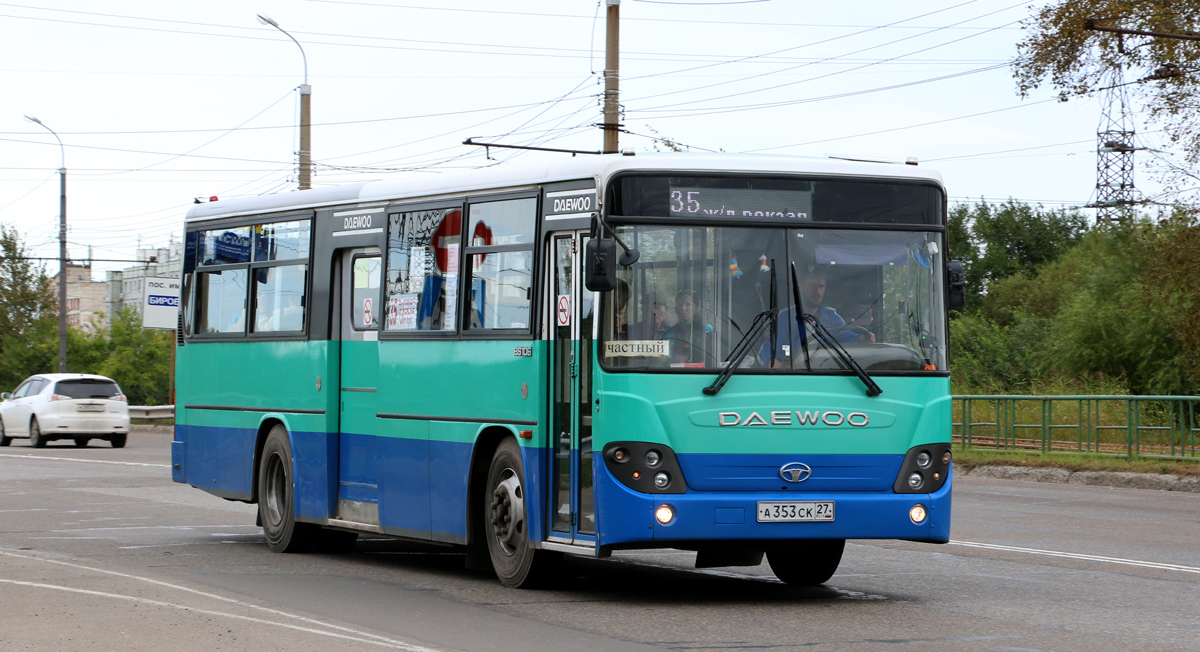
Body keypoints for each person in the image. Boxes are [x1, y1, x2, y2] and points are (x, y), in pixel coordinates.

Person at [760, 272, 873, 366]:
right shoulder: (785, 318)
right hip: (794, 378)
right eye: (812, 285)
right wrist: (783, 367)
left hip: (826, 375)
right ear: (800, 287)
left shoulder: (832, 317)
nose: (817, 291)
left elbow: (845, 339)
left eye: (821, 286)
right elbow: (766, 353)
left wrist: (863, 339)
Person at [663, 290, 709, 364]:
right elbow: (663, 362)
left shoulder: (707, 330)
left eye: (688, 304)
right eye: (680, 304)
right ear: (675, 309)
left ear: (696, 308)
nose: (683, 308)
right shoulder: (667, 335)